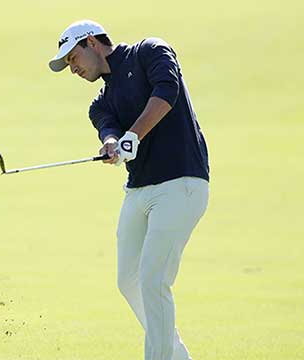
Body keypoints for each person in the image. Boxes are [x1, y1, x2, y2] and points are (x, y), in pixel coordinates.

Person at [49, 20, 210, 360]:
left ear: (91, 42)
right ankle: (177, 355)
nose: (72, 68)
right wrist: (112, 145)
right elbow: (107, 128)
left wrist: (133, 135)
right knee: (129, 280)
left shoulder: (149, 51)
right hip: (139, 191)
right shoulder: (100, 103)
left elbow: (167, 92)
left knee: (153, 280)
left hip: (181, 183)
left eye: (73, 58)